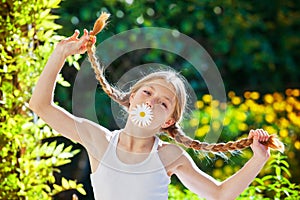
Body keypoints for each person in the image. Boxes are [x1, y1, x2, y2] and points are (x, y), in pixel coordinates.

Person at [29, 15, 284, 200]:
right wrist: (59, 54)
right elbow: (40, 106)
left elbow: (219, 195)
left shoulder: (169, 156)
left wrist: (258, 159)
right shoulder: (100, 141)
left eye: (163, 102)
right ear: (131, 100)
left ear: (168, 122)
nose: (151, 101)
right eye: (147, 92)